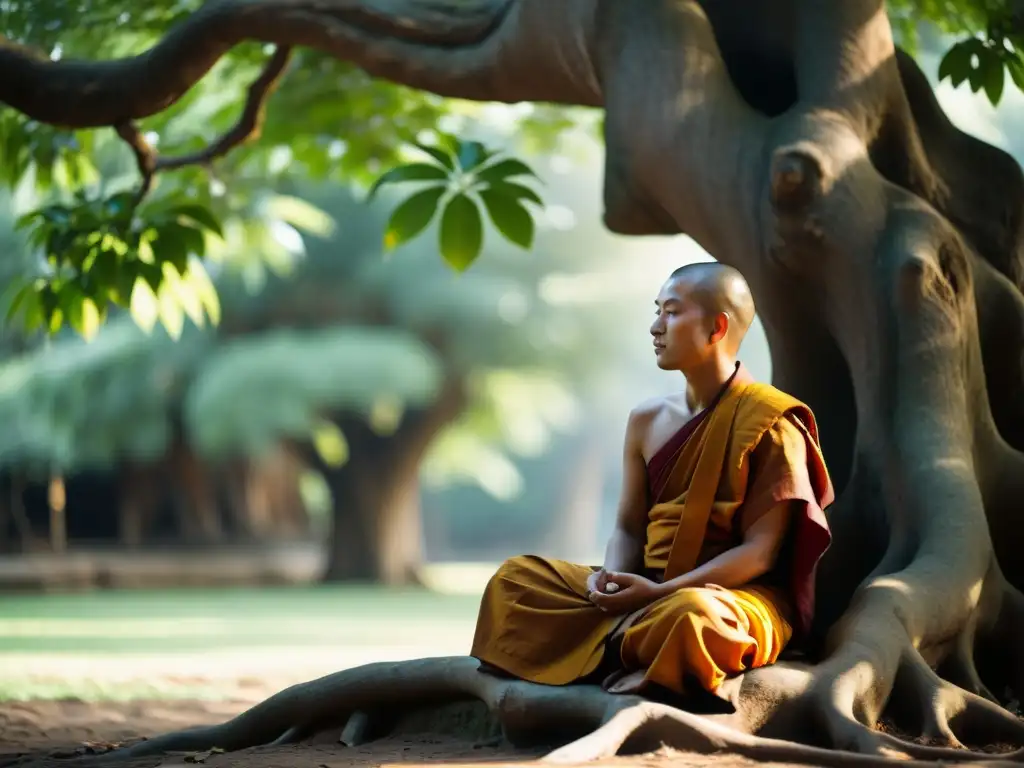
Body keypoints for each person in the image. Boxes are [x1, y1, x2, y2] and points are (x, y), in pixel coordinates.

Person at [469, 262, 834, 701]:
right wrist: (612, 582)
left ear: (717, 327)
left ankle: (622, 648)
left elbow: (760, 553)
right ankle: (638, 647)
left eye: (672, 313)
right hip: (644, 589)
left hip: (726, 597)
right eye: (656, 311)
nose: (655, 327)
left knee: (693, 619)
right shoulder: (646, 420)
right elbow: (627, 527)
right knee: (515, 580)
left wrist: (661, 592)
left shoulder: (771, 422)